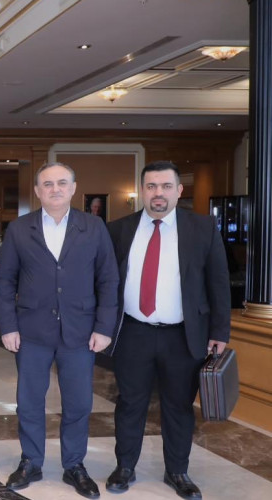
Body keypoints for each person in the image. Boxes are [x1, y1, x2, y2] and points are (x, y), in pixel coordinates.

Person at [104, 161, 230, 499]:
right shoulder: (119, 230)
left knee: (179, 406)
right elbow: (106, 282)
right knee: (129, 403)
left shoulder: (203, 228)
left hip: (183, 335)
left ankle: (177, 471)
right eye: (151, 186)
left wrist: (220, 331)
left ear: (178, 190)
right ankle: (125, 467)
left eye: (165, 186)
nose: (158, 193)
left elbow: (218, 283)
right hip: (133, 332)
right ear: (142, 190)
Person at [0, 162, 118, 498]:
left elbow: (108, 279)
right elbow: (5, 281)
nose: (55, 189)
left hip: (80, 331)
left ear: (73, 188)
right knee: (29, 402)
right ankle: (31, 461)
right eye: (47, 184)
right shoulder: (20, 229)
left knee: (78, 403)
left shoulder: (93, 227)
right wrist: (8, 326)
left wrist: (104, 327)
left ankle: (74, 465)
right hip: (31, 331)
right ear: (37, 191)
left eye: (62, 183)